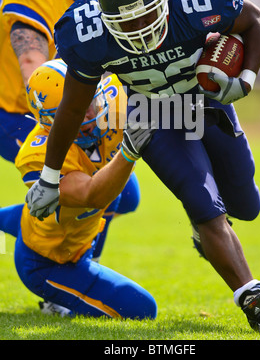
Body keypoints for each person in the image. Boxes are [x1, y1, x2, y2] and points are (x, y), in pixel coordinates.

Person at [25, 0, 260, 333]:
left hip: (207, 100)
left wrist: (246, 79)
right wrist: (49, 177)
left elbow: (255, 21)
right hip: (155, 115)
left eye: (146, 16)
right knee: (203, 204)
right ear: (106, 20)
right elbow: (72, 107)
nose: (137, 29)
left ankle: (210, 232)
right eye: (125, 23)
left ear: (164, 2)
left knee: (246, 207)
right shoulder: (88, 33)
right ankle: (256, 303)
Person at [0, 58, 156, 319]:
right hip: (49, 260)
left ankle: (14, 220)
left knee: (129, 195)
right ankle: (55, 295)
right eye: (74, 109)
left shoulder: (112, 93)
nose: (90, 115)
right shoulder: (36, 156)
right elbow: (93, 196)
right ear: (50, 122)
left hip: (70, 227)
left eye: (89, 101)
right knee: (142, 310)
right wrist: (128, 152)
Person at [0, 0, 120, 162]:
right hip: (18, 111)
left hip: (74, 106)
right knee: (77, 192)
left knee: (123, 196)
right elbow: (34, 69)